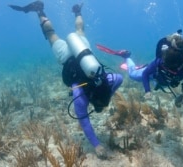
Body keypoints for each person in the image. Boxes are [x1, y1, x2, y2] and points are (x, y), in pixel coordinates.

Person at [9, 1, 123, 159]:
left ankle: (76, 12)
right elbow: (84, 122)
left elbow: (120, 78)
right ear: (93, 101)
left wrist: (110, 91)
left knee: (79, 30)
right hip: (66, 56)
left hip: (82, 49)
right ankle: (40, 11)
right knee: (51, 35)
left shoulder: (108, 80)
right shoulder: (80, 97)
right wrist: (96, 145)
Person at [105, 30, 183, 107]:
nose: (168, 66)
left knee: (158, 82)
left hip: (163, 81)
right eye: (165, 62)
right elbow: (145, 74)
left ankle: (146, 68)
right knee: (132, 75)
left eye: (172, 65)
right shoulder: (161, 60)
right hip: (153, 75)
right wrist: (147, 90)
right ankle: (126, 56)